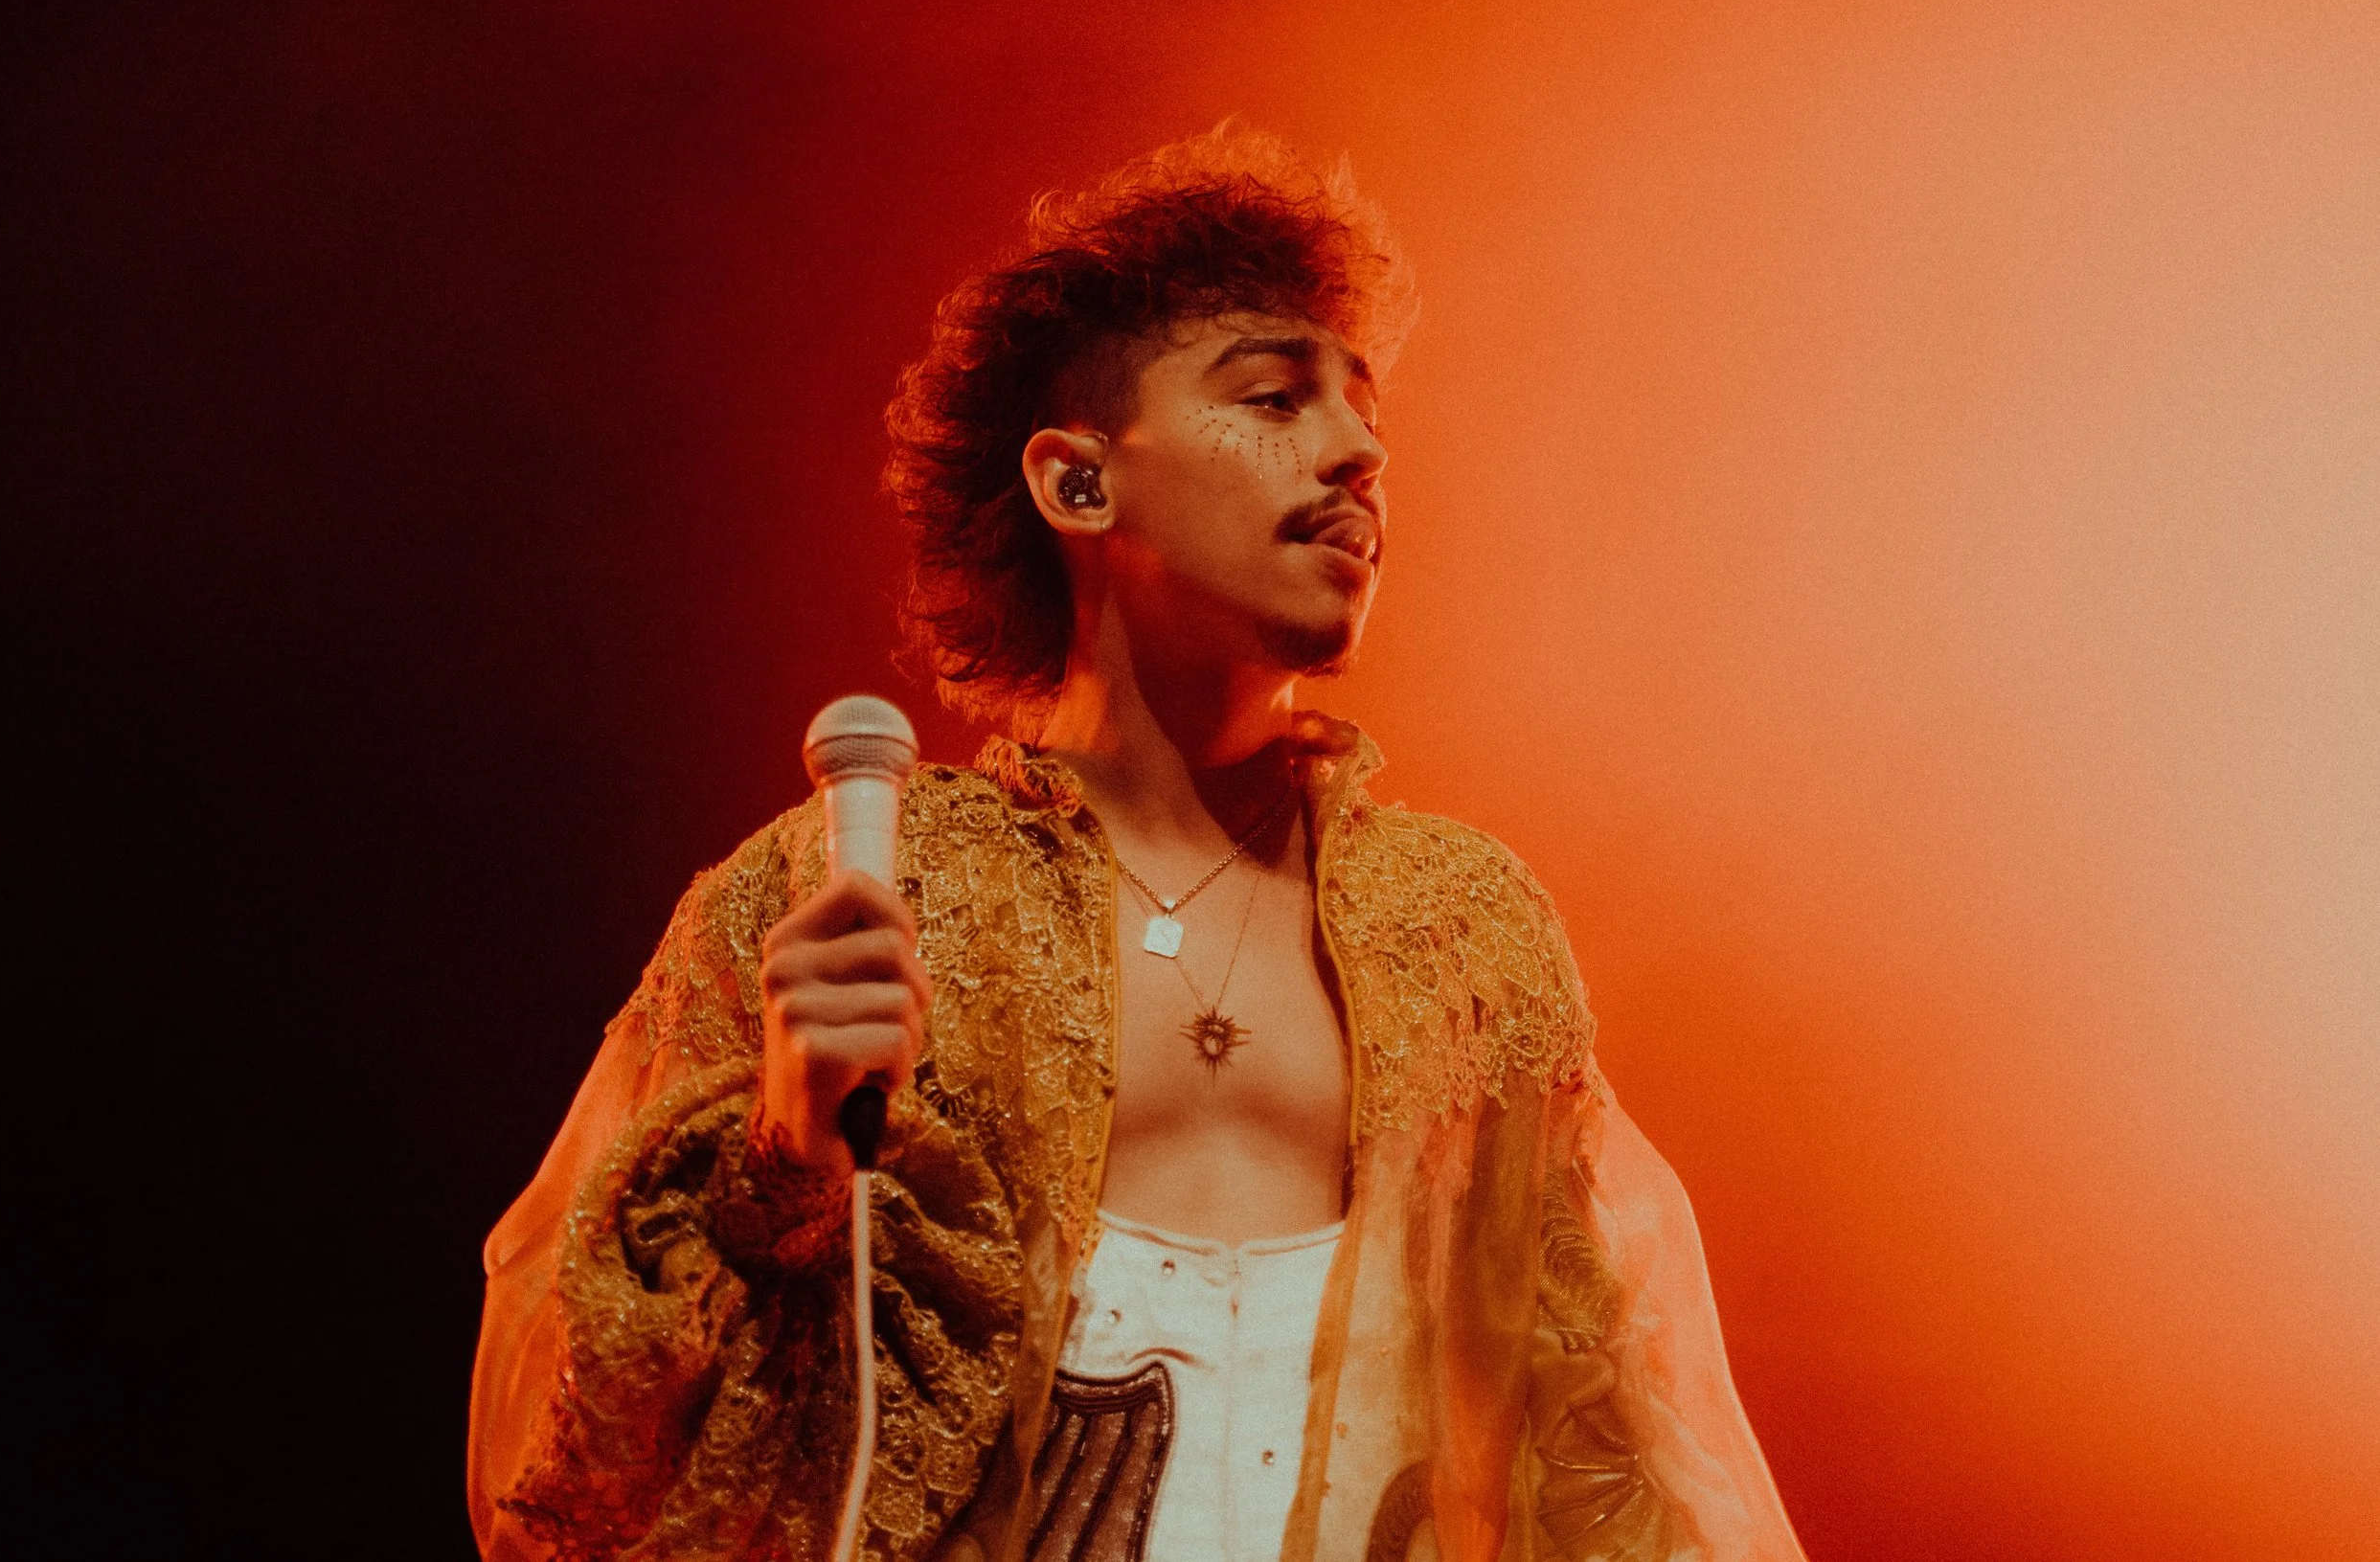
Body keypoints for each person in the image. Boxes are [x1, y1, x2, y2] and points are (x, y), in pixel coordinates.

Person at [467, 127, 1804, 1562]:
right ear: (1079, 485)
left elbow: (1610, 1456)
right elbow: (578, 1468)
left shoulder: (1465, 932)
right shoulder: (863, 889)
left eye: (1365, 415)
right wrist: (783, 1156)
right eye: (1275, 397)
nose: (1359, 453)